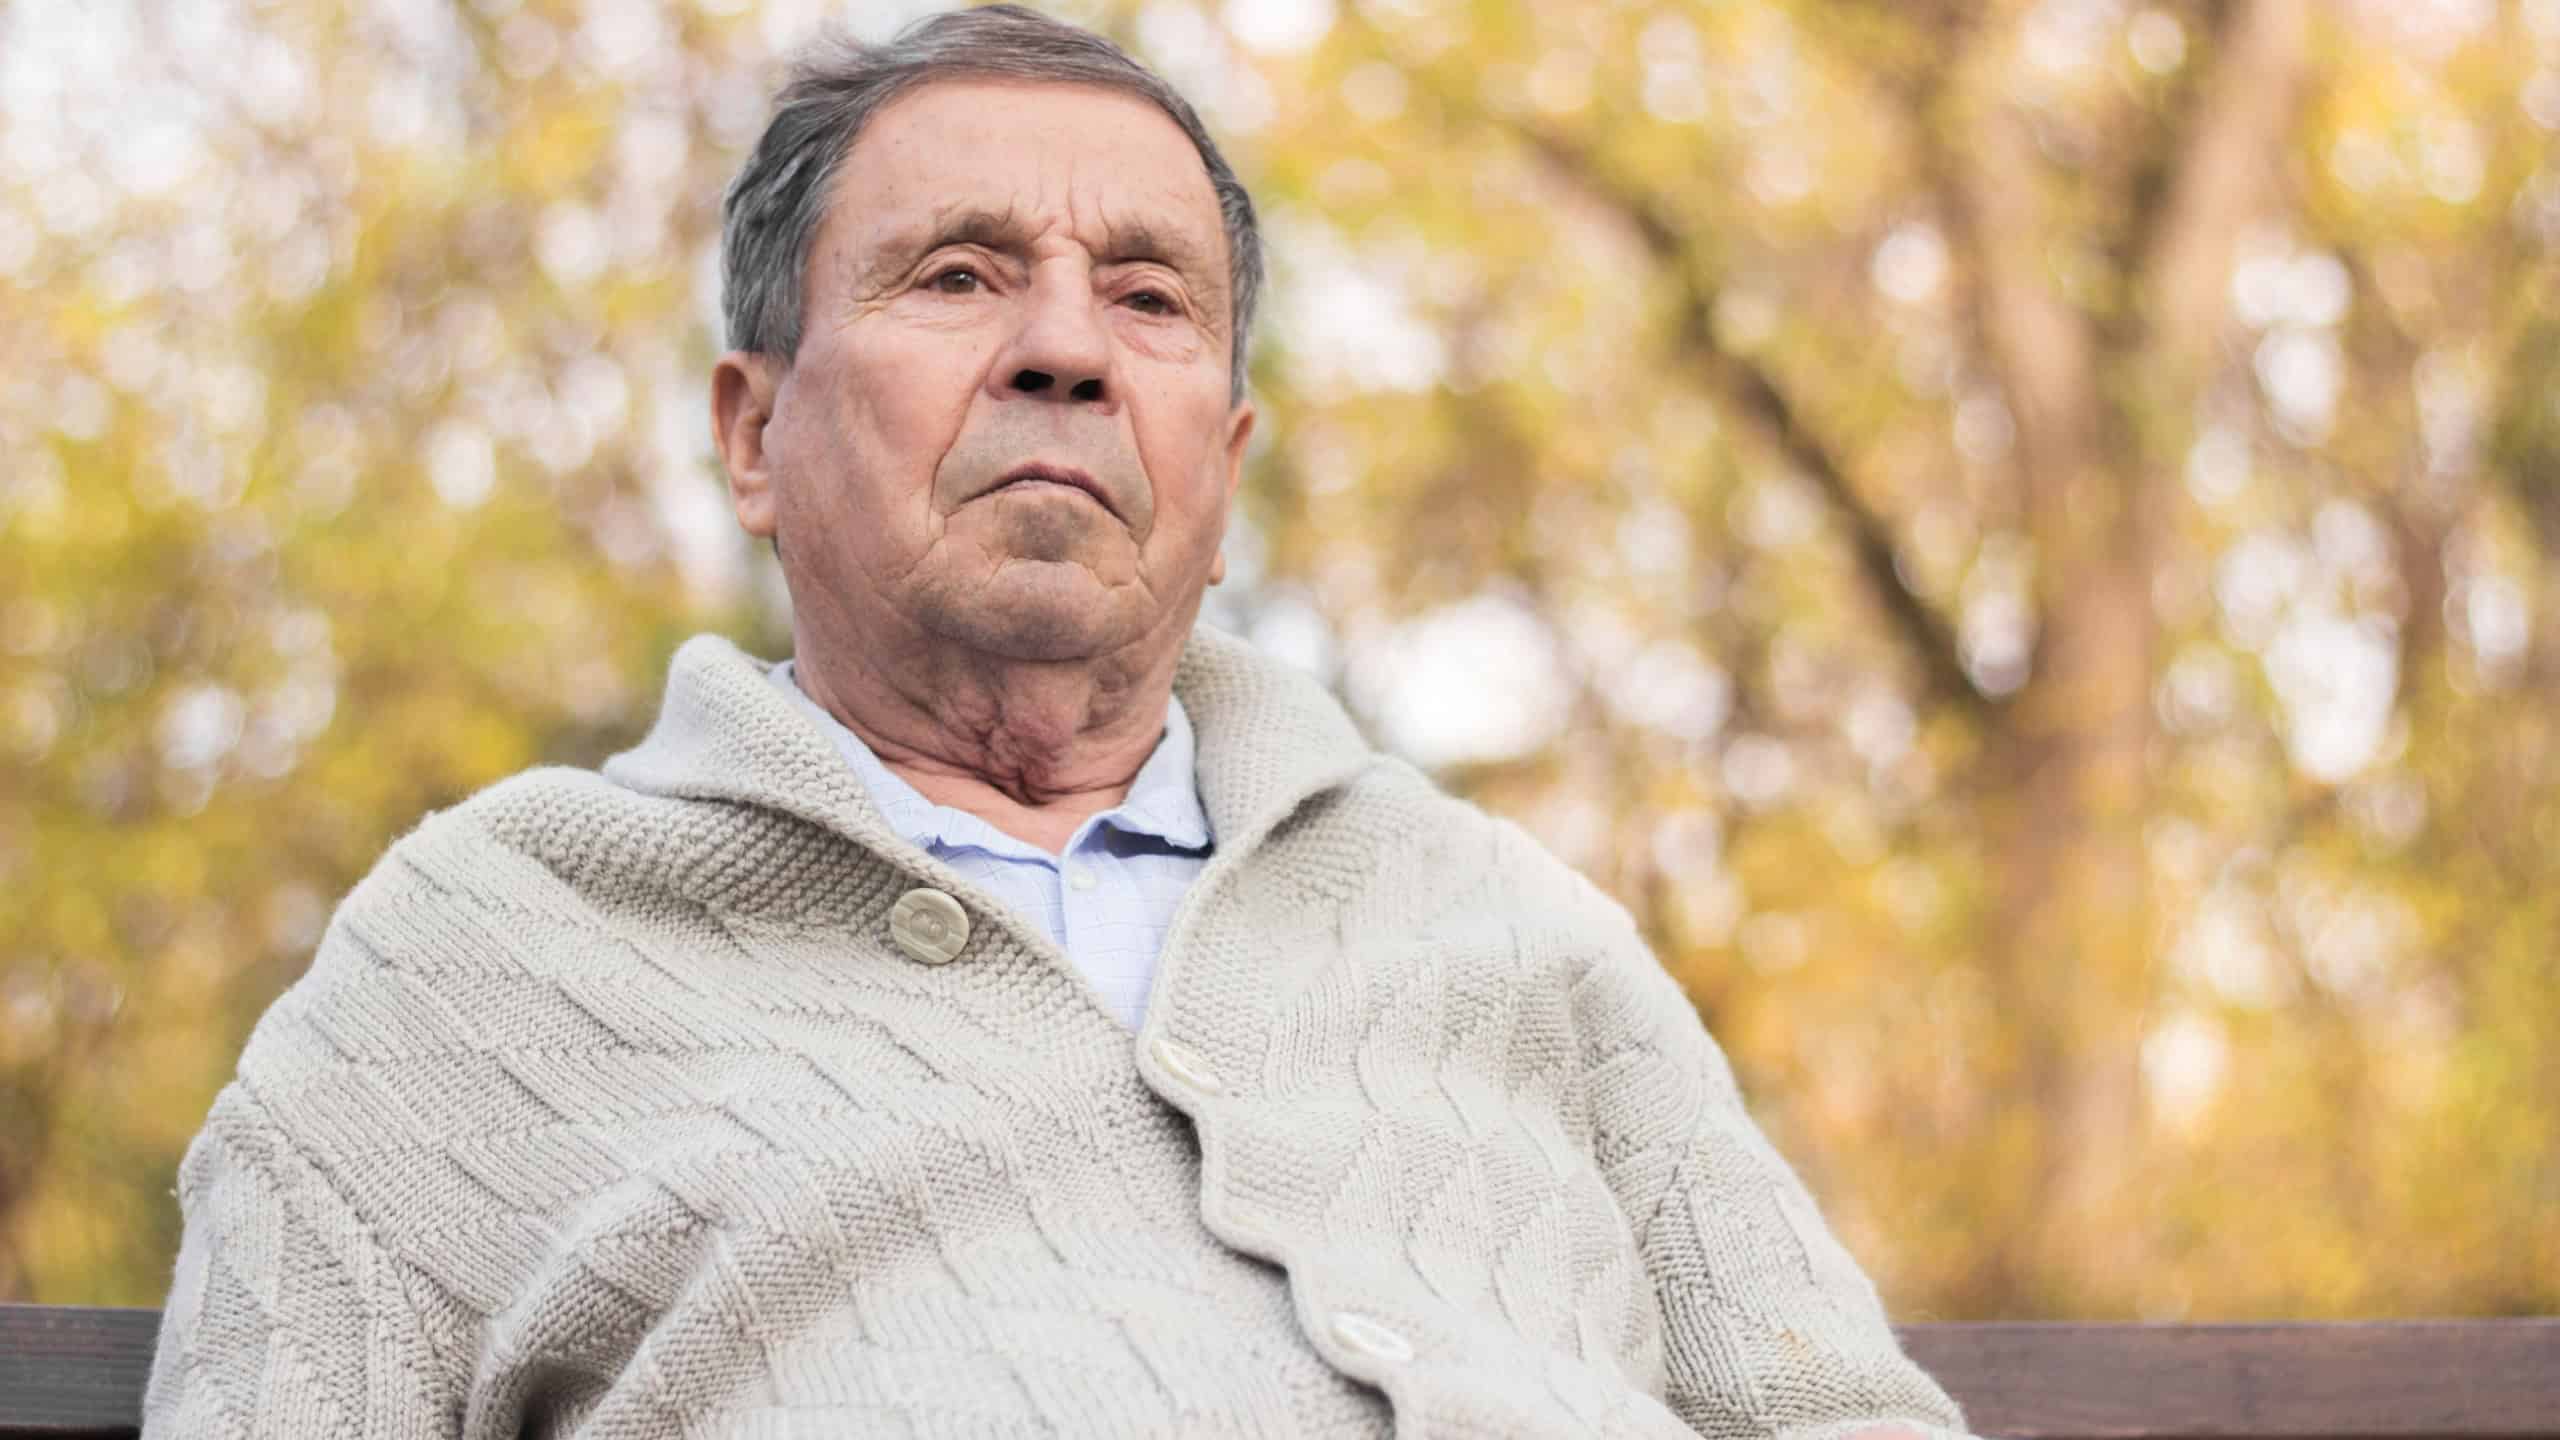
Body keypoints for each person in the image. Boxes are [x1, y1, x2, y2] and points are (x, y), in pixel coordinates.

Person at [142, 8, 1978, 1437]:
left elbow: (1831, 1407)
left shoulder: (1507, 924)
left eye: (1151, 299)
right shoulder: (482, 959)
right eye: (957, 274)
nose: (1067, 349)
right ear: (751, 433)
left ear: (1225, 465)